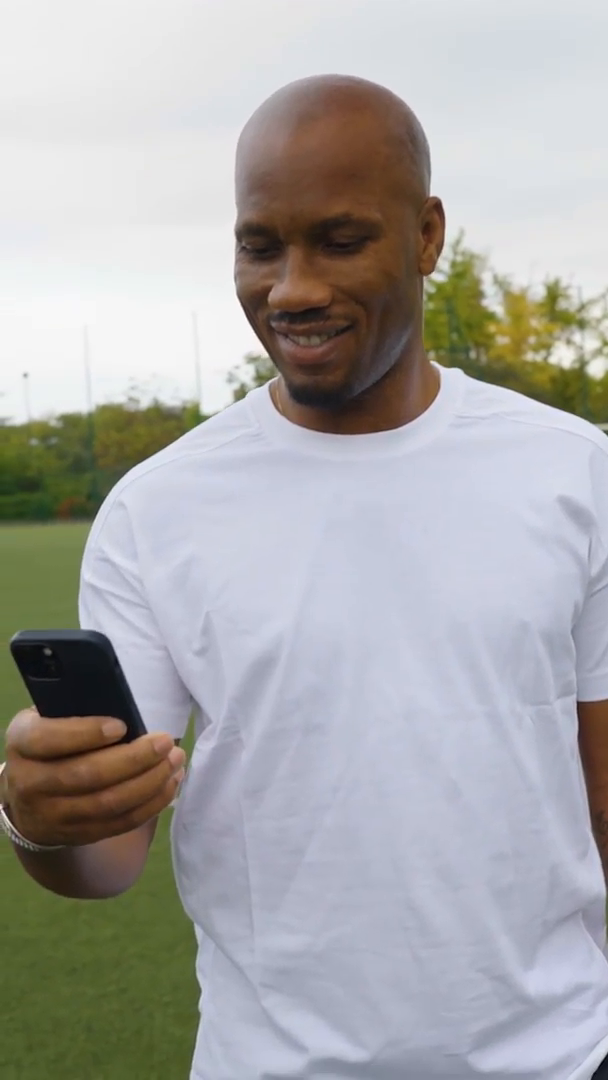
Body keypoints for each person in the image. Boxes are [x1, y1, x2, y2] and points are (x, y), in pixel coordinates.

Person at [2, 74, 608, 1080]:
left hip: (557, 1059)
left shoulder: (573, 474)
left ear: (425, 236)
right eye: (259, 246)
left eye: (339, 240)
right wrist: (41, 817)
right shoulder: (156, 512)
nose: (290, 289)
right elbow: (104, 861)